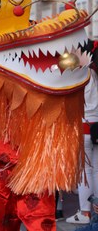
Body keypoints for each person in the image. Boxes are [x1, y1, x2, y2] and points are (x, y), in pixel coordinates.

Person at [66, 41, 98, 224]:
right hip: (96, 127)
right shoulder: (94, 73)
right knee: (96, 170)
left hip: (85, 127)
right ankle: (95, 211)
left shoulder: (82, 74)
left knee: (84, 172)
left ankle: (85, 212)